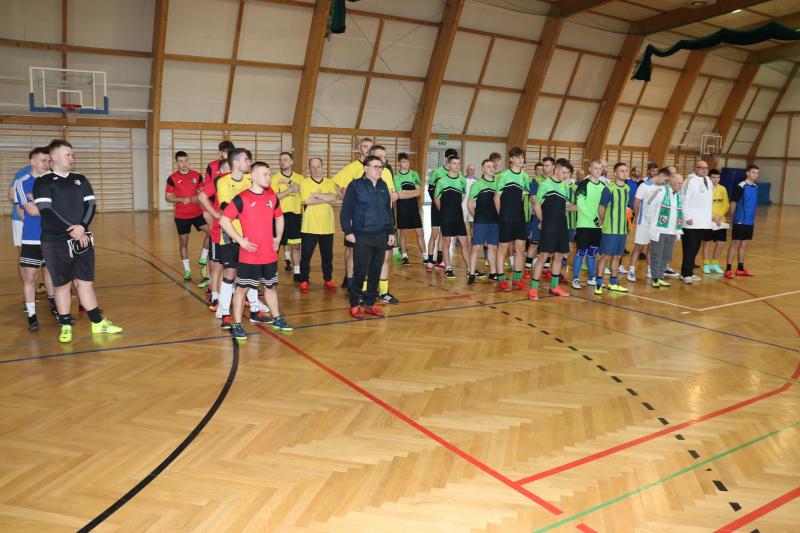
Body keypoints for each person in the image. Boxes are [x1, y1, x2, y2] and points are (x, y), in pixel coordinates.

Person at [33, 139, 122, 343]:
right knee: (62, 285)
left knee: (85, 282)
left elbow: (91, 206)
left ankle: (97, 323)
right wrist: (72, 229)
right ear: (54, 157)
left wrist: (82, 227)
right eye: (68, 155)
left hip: (82, 239)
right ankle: (65, 325)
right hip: (55, 241)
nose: (72, 158)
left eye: (72, 155)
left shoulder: (80, 179)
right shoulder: (43, 182)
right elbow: (46, 211)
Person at [220, 161, 291, 340]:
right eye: (265, 174)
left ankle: (276, 318)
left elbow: (280, 217)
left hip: (269, 254)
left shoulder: (272, 197)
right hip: (249, 255)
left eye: (269, 174)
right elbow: (224, 220)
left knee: (270, 287)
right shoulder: (242, 198)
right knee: (242, 289)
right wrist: (240, 240)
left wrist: (278, 238)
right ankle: (237, 324)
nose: (269, 177)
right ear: (253, 176)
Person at [340, 155, 395, 319]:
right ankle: (354, 304)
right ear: (365, 168)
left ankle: (370, 304)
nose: (379, 170)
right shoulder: (355, 185)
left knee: (375, 272)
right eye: (375, 166)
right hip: (362, 236)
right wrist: (348, 232)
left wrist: (390, 231)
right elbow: (346, 211)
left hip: (381, 235)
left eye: (381, 167)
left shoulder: (383, 186)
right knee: (360, 272)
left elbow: (388, 211)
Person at [15, 147, 57, 331]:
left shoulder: (54, 180)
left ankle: (56, 307)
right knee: (30, 277)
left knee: (52, 275)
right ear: (32, 162)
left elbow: (62, 207)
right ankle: (32, 315)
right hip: (32, 238)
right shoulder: (23, 182)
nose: (46, 164)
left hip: (52, 236)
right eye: (43, 160)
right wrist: (49, 205)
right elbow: (31, 211)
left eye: (49, 161)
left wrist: (38, 202)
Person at [528, 158, 572, 300]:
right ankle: (533, 289)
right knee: (543, 256)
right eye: (564, 172)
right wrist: (543, 221)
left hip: (562, 225)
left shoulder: (565, 186)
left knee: (558, 256)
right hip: (549, 226)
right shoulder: (545, 184)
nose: (566, 175)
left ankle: (554, 287)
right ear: (556, 169)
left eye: (567, 173)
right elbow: (537, 205)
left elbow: (564, 206)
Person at [334, 137, 373, 287]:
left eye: (370, 146)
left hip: (369, 216)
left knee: (366, 249)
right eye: (365, 146)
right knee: (351, 248)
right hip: (355, 215)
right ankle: (348, 278)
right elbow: (335, 183)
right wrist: (345, 200)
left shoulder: (375, 168)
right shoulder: (352, 168)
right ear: (359, 149)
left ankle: (364, 279)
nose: (368, 149)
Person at [165, 151, 210, 280]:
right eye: (181, 161)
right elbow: (168, 197)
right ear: (177, 163)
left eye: (186, 161)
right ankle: (187, 270)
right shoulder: (172, 178)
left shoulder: (196, 175)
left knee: (212, 233)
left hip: (197, 214)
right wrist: (180, 199)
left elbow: (203, 190)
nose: (184, 164)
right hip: (182, 217)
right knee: (184, 243)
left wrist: (198, 196)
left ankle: (203, 257)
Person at [298, 157, 337, 293]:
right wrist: (325, 197)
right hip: (310, 226)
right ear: (309, 168)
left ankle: (328, 279)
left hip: (327, 226)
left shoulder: (329, 182)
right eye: (313, 167)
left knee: (327, 256)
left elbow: (334, 197)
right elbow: (307, 201)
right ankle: (304, 280)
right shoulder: (305, 183)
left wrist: (317, 195)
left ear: (322, 167)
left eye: (318, 166)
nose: (315, 170)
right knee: (306, 255)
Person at [494, 147, 530, 291]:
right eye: (518, 158)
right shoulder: (504, 175)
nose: (521, 160)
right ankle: (502, 280)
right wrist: (501, 216)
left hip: (519, 217)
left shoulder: (525, 176)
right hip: (506, 217)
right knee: (503, 248)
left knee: (520, 248)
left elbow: (522, 197)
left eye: (522, 157)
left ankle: (517, 279)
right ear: (511, 159)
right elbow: (496, 197)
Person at [594, 162, 631, 295]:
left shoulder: (627, 188)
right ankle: (599, 284)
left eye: (626, 170)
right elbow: (601, 207)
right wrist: (604, 221)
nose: (625, 173)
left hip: (622, 229)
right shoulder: (609, 189)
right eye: (621, 171)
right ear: (615, 173)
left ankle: (613, 283)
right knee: (605, 256)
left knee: (617, 256)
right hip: (610, 229)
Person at [645, 172, 684, 288]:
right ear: (672, 183)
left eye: (682, 183)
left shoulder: (679, 195)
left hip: (672, 231)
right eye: (679, 183)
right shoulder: (660, 191)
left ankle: (660, 275)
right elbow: (648, 205)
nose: (681, 185)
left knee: (667, 255)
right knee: (657, 255)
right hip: (659, 230)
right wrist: (653, 223)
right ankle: (655, 278)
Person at [434, 153, 470, 280]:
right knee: (446, 242)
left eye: (458, 164)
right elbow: (436, 198)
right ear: (449, 165)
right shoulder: (442, 181)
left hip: (458, 216)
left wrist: (455, 209)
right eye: (454, 163)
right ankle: (448, 268)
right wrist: (444, 211)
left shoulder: (462, 180)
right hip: (446, 216)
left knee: (464, 242)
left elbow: (462, 196)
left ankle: (469, 268)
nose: (456, 166)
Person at [571, 160, 606, 289]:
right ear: (590, 169)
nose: (598, 171)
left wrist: (603, 219)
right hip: (584, 225)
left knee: (593, 253)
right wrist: (595, 218)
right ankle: (575, 278)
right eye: (595, 168)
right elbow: (581, 205)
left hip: (598, 226)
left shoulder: (603, 186)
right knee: (581, 252)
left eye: (600, 168)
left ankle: (591, 278)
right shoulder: (583, 184)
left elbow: (604, 205)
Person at [271, 152, 305, 282]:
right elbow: (274, 197)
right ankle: (272, 273)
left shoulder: (300, 178)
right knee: (276, 246)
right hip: (279, 216)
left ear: (291, 162)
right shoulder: (275, 178)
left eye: (285, 159)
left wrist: (292, 183)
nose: (282, 162)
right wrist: (290, 190)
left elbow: (304, 194)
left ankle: (297, 272)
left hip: (295, 216)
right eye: (280, 160)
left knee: (296, 245)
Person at [681, 160, 713, 284]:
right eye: (701, 167)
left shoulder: (708, 180)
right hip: (691, 222)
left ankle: (688, 272)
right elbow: (684, 199)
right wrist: (687, 216)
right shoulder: (690, 181)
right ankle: (686, 274)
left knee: (695, 248)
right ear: (696, 168)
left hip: (703, 222)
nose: (704, 170)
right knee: (689, 248)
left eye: (706, 168)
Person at [425, 148, 457, 270]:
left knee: (445, 235)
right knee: (434, 233)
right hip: (437, 207)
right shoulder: (437, 172)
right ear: (446, 158)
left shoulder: (456, 175)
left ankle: (440, 259)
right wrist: (438, 203)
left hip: (449, 210)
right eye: (451, 157)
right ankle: (429, 260)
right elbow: (430, 190)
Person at [725, 164, 759, 278]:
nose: (755, 175)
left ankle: (740, 269)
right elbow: (733, 202)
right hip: (740, 220)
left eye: (757, 173)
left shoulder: (755, 187)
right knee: (735, 243)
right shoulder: (741, 186)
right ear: (747, 173)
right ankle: (728, 269)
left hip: (749, 221)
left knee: (744, 244)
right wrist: (732, 217)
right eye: (753, 172)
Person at [467, 159, 498, 284]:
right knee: (476, 247)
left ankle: (493, 273)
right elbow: (470, 205)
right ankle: (472, 275)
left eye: (493, 166)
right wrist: (478, 217)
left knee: (492, 247)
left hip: (494, 221)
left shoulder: (498, 183)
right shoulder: (477, 184)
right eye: (488, 166)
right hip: (481, 221)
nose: (491, 168)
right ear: (483, 169)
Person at [393, 152, 425, 265]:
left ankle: (425, 256)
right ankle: (404, 256)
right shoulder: (396, 177)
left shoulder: (414, 174)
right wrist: (412, 192)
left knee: (420, 232)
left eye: (407, 161)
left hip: (414, 208)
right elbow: (400, 195)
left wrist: (405, 192)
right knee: (403, 233)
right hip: (402, 208)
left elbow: (419, 192)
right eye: (403, 161)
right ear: (399, 163)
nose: (406, 164)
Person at [702, 168, 729, 275]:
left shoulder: (723, 189)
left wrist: (719, 216)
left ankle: (714, 263)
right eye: (713, 177)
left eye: (718, 177)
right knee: (707, 243)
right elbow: (703, 205)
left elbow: (726, 204)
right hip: (708, 221)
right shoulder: (705, 189)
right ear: (709, 178)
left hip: (720, 221)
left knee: (721, 243)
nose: (716, 179)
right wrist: (712, 216)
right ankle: (706, 264)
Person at [526, 159, 551, 274]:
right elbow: (533, 199)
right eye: (542, 167)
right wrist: (541, 218)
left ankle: (545, 269)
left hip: (551, 218)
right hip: (538, 216)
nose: (544, 169)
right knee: (534, 243)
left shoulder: (556, 181)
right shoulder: (536, 180)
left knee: (549, 245)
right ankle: (527, 268)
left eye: (546, 166)